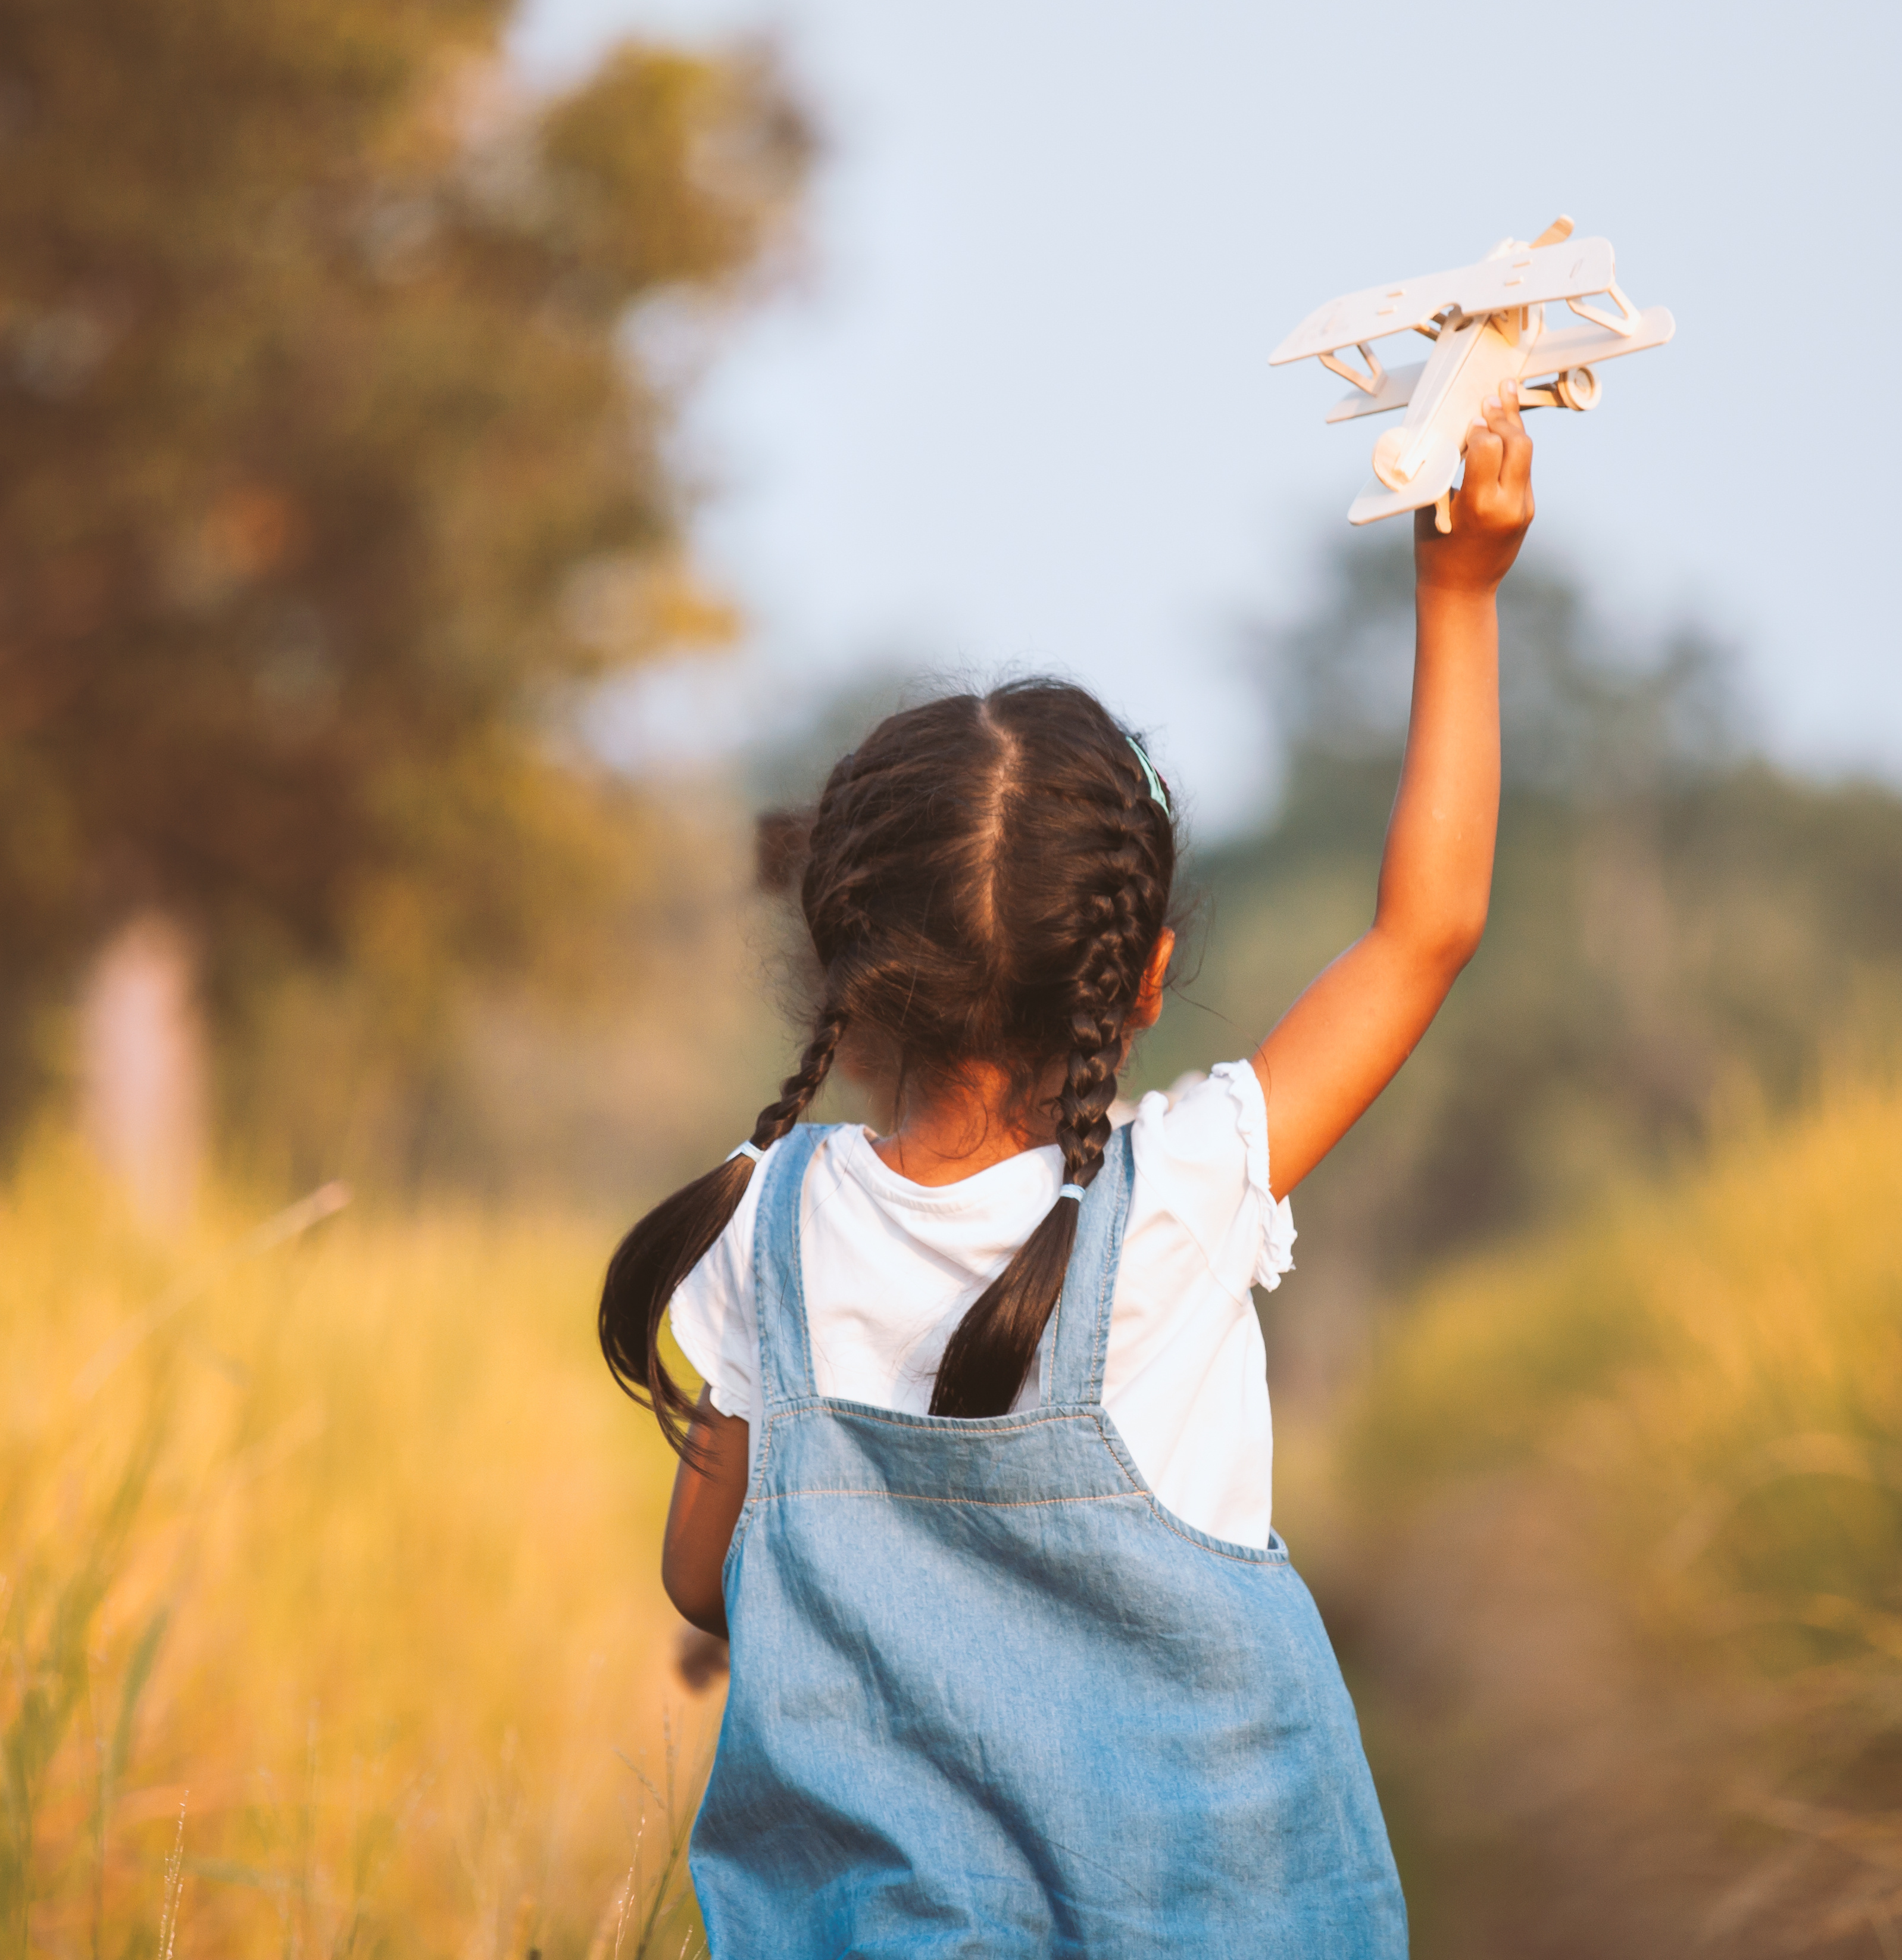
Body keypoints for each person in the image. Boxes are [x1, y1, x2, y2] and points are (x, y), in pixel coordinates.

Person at [595, 375, 1538, 1957]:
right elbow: (1424, 932)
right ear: (1144, 974)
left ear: (846, 971)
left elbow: (711, 1581)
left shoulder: (764, 1225)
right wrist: (1457, 590)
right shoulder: (1177, 1197)